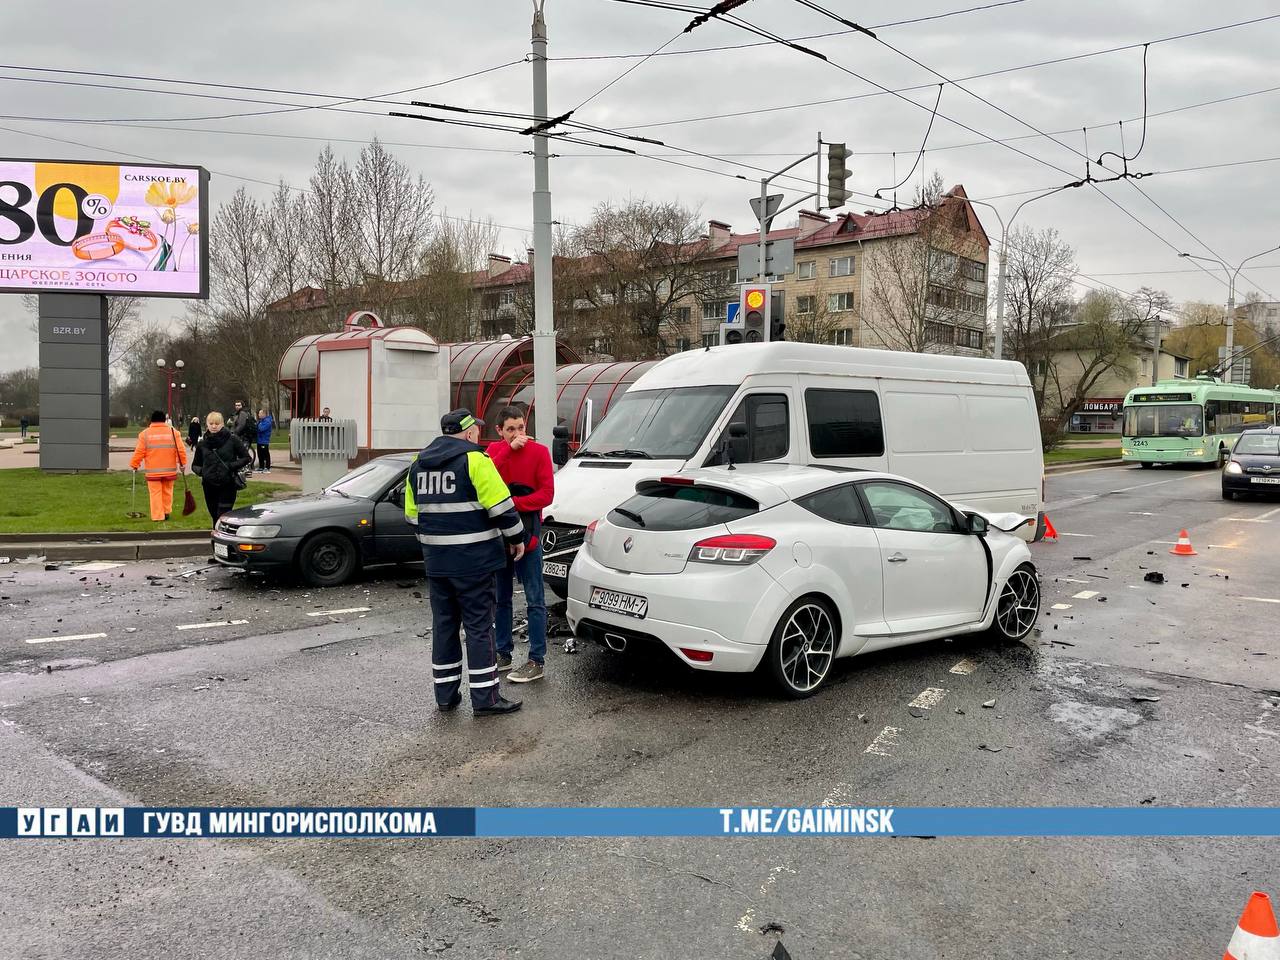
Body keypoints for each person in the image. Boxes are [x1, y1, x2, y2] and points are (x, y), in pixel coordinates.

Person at [405, 408, 527, 716]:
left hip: (437, 563)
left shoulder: (418, 465)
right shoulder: (475, 459)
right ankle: (486, 698)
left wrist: (434, 544)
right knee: (478, 627)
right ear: (468, 432)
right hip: (474, 562)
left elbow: (411, 515)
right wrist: (517, 539)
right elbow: (502, 507)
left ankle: (445, 696)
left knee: (444, 626)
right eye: (475, 430)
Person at [487, 405, 554, 683]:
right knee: (500, 599)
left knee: (535, 600)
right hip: (499, 537)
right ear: (500, 431)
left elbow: (546, 494)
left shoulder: (539, 452)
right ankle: (503, 652)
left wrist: (512, 504)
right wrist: (508, 449)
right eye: (511, 429)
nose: (518, 434)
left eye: (521, 427)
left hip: (529, 536)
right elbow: (489, 479)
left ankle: (536, 659)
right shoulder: (493, 452)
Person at [192, 411, 251, 523]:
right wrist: (203, 471)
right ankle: (216, 539)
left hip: (227, 484)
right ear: (207, 425)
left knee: (223, 516)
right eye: (211, 423)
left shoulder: (232, 439)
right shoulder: (202, 444)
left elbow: (246, 458)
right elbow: (195, 465)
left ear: (222, 424)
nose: (214, 426)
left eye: (217, 423)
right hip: (209, 485)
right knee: (214, 516)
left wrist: (231, 466)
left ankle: (223, 538)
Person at [129, 410, 188, 522]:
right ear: (164, 420)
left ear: (151, 420)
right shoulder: (174, 432)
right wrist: (182, 463)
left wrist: (134, 464)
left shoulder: (145, 434)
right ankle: (166, 512)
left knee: (155, 493)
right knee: (167, 491)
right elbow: (180, 450)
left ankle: (157, 516)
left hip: (153, 471)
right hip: (169, 470)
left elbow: (139, 451)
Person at [230, 401, 257, 470]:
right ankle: (246, 466)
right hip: (243, 436)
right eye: (236, 405)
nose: (237, 407)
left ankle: (246, 467)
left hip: (244, 436)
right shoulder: (238, 414)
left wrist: (234, 434)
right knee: (241, 451)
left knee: (242, 452)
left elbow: (241, 425)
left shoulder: (242, 413)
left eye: (239, 405)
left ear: (242, 406)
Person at [255, 408, 274, 473]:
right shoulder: (261, 421)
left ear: (264, 414)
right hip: (259, 440)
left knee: (265, 454)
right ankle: (261, 467)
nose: (258, 415)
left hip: (264, 441)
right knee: (260, 454)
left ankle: (267, 468)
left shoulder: (267, 421)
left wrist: (257, 426)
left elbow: (261, 429)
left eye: (260, 413)